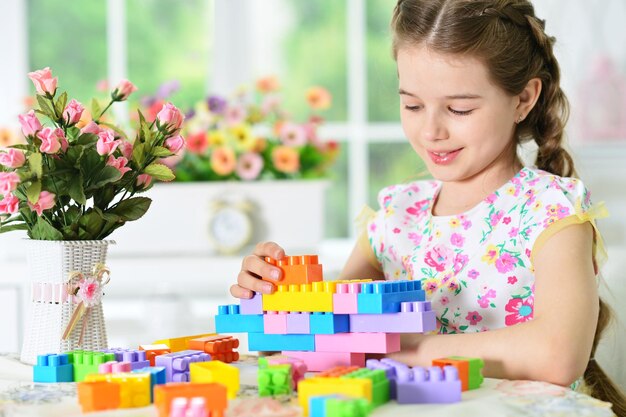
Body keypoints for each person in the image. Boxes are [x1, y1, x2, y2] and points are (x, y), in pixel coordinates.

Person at [230, 0, 625, 414]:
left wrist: (404, 347)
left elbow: (556, 355)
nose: (431, 130)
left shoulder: (551, 213)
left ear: (523, 98)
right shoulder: (395, 218)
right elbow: (331, 339)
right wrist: (275, 305)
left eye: (459, 108)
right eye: (412, 105)